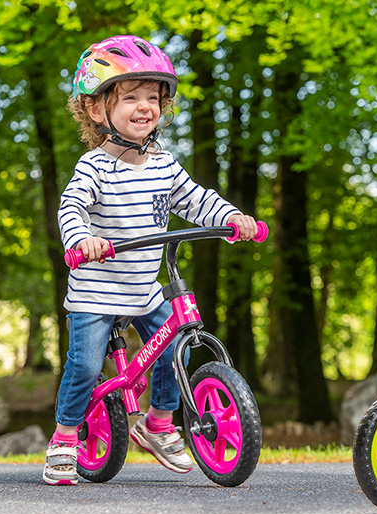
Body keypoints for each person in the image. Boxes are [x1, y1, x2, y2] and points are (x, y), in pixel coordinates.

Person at [43, 35, 259, 486]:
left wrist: (232, 217)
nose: (145, 107)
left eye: (153, 98)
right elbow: (72, 207)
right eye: (131, 97)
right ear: (98, 109)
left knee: (173, 341)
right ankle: (65, 436)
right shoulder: (94, 167)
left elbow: (195, 200)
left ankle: (159, 422)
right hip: (96, 291)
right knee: (84, 365)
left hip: (143, 288)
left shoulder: (164, 164)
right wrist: (83, 238)